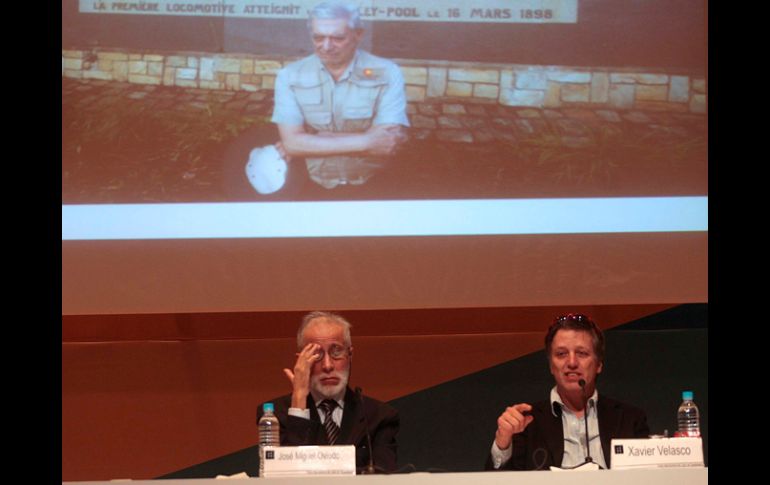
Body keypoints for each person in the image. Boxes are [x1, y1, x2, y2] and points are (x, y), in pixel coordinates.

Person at [229, 1, 409, 197]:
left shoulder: (388, 73)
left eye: (338, 38)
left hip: (374, 184)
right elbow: (292, 144)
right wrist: (367, 140)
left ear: (358, 34)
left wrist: (315, 140)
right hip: (312, 185)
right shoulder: (290, 76)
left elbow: (387, 143)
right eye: (318, 37)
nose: (326, 46)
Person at [486, 313, 650, 471]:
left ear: (599, 364)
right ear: (551, 365)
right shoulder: (525, 423)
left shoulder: (630, 419)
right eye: (561, 354)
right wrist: (503, 443)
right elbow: (497, 482)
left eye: (582, 353)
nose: (571, 362)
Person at [257, 311, 399, 473]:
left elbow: (385, 478)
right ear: (301, 361)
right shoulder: (276, 415)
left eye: (336, 351)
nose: (327, 365)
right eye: (316, 354)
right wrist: (298, 404)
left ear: (350, 355)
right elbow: (284, 475)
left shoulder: (378, 416)